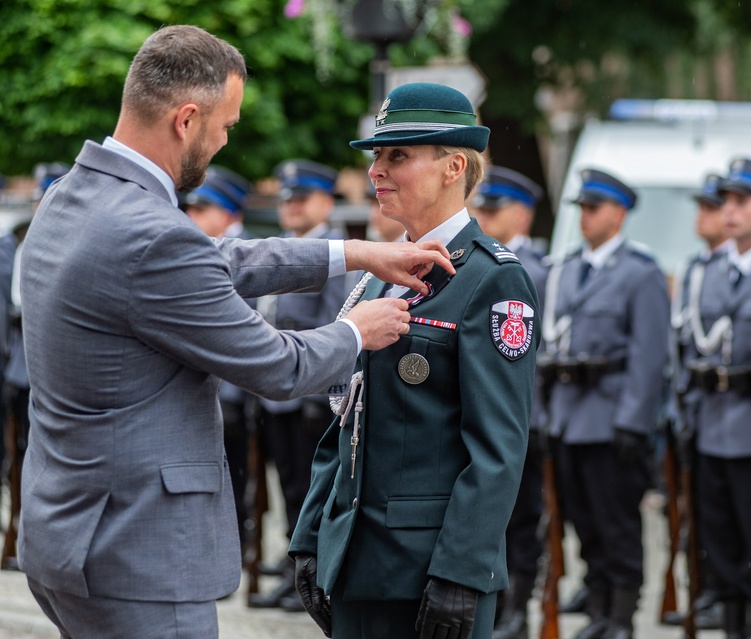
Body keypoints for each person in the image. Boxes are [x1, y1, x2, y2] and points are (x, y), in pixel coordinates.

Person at [16, 26, 455, 639]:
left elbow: (217, 260)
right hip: (137, 554)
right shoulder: (152, 235)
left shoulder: (75, 198)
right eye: (225, 125)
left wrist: (353, 253)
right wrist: (356, 330)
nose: (225, 141)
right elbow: (278, 366)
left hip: (71, 532)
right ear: (186, 119)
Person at [289, 82, 540, 639]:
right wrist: (311, 535)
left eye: (397, 155)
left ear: (453, 167)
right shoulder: (383, 274)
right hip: (358, 558)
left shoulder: (492, 278)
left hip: (428, 570)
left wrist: (461, 572)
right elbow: (348, 415)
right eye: (377, 155)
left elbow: (498, 449)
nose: (376, 170)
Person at [540, 168, 670, 639]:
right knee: (581, 520)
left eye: (593, 209)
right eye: (581, 209)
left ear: (619, 214)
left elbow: (649, 355)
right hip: (568, 417)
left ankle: (621, 616)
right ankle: (597, 608)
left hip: (611, 417)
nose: (585, 218)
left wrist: (634, 422)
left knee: (616, 525)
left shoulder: (640, 273)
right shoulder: (568, 269)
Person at [249, 159, 348, 610]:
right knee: (289, 486)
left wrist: (326, 391)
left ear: (326, 202)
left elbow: (338, 322)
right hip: (277, 396)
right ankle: (294, 574)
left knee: (314, 489)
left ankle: (315, 576)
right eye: (287, 199)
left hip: (310, 395)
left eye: (301, 198)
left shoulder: (335, 254)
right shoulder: (283, 248)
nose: (291, 207)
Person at [680, 158, 751, 639]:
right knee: (721, 545)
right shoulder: (708, 272)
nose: (729, 211)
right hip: (712, 427)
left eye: (742, 200)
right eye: (724, 201)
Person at [471, 165, 547, 639]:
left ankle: (519, 608)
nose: (484, 215)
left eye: (494, 209)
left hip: (529, 417)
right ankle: (503, 606)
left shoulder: (531, 269)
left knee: (522, 520)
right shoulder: (483, 262)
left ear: (520, 215)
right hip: (502, 412)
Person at [665, 172, 730, 631]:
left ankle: (729, 597)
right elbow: (679, 348)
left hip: (737, 415)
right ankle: (710, 591)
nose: (704, 216)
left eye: (713, 206)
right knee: (704, 516)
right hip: (700, 414)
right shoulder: (693, 270)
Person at [181, 164, 256, 556]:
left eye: (202, 210)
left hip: (237, 388)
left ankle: (238, 545)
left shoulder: (243, 253)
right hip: (212, 387)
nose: (192, 217)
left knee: (237, 472)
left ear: (228, 213)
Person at [1, 162, 69, 570]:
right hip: (19, 373)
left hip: (52, 377)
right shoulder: (27, 244)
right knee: (19, 460)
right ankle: (20, 534)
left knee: (49, 465)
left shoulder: (64, 244)